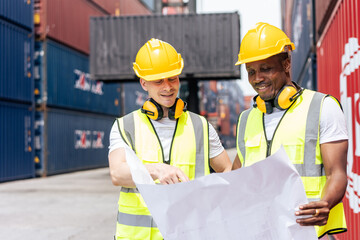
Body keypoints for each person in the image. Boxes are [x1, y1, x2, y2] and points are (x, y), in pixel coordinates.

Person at [232, 22, 348, 239]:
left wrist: (325, 204)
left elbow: (337, 173)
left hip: (306, 232)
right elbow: (237, 178)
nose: (257, 78)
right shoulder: (246, 119)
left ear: (286, 64)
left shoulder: (322, 107)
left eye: (266, 68)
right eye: (251, 71)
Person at [108, 38, 232, 240]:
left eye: (172, 78)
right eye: (159, 81)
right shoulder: (125, 126)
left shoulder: (200, 126)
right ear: (144, 83)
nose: (168, 86)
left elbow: (227, 171)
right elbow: (117, 174)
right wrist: (157, 170)